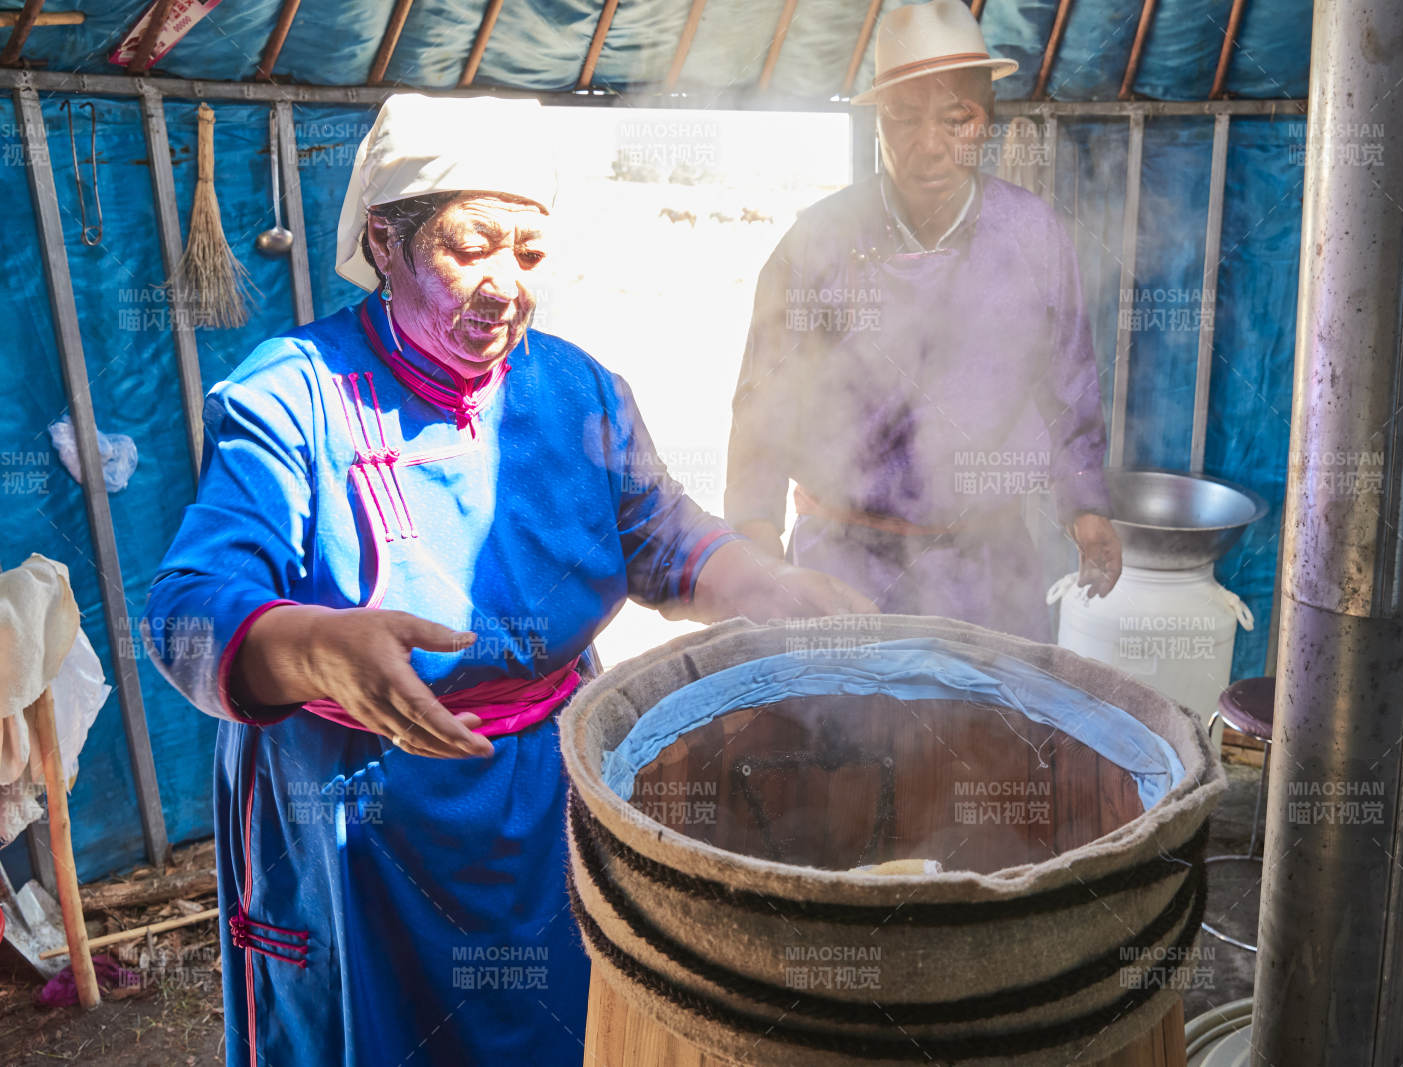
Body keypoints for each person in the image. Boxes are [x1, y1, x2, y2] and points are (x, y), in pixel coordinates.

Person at [141, 94, 874, 1067]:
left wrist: (772, 586)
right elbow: (189, 609)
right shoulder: (291, 394)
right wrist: (316, 648)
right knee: (375, 1031)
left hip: (539, 790)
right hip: (360, 804)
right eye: (474, 245)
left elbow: (660, 535)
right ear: (386, 242)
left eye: (529, 254)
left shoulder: (573, 388)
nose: (505, 285)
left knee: (553, 1020)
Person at [725, 0, 1122, 643]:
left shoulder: (1035, 237)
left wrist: (1086, 508)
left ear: (987, 121)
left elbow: (1068, 385)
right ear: (878, 122)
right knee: (836, 732)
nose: (929, 145)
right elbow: (762, 400)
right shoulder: (816, 242)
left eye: (956, 119)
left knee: (990, 732)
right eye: (904, 118)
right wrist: (756, 537)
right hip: (842, 564)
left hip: (988, 571)